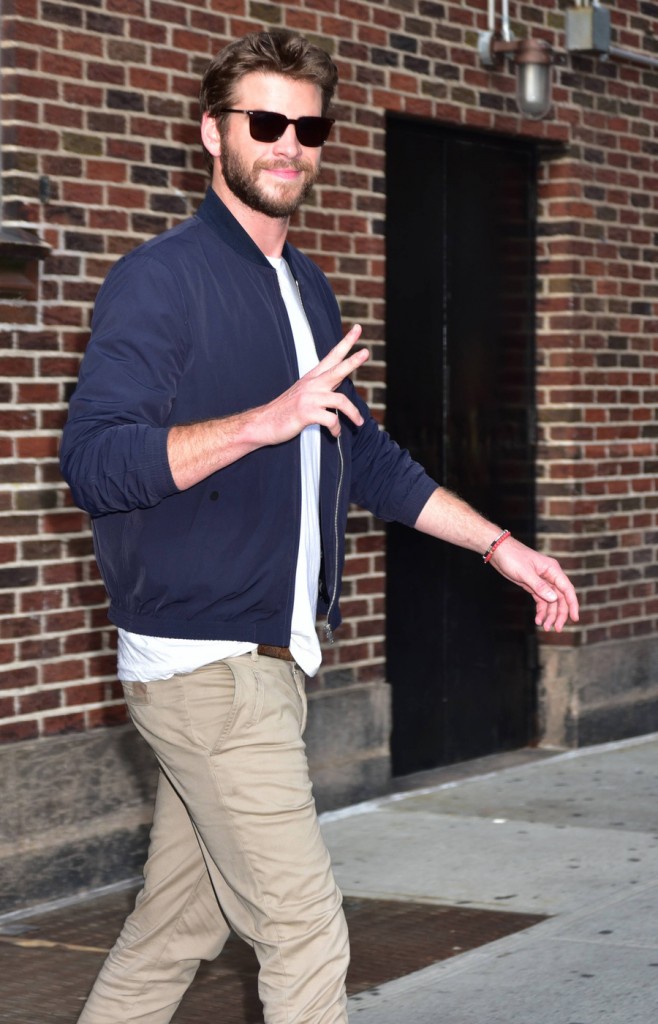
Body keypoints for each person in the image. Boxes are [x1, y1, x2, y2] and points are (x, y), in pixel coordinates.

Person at [60, 28, 579, 1024]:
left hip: (269, 663)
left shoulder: (303, 285)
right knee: (302, 932)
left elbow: (365, 457)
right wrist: (262, 422)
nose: (289, 143)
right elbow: (94, 464)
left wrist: (499, 545)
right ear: (213, 134)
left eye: (308, 126)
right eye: (265, 122)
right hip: (203, 669)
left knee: (179, 926)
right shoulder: (158, 281)